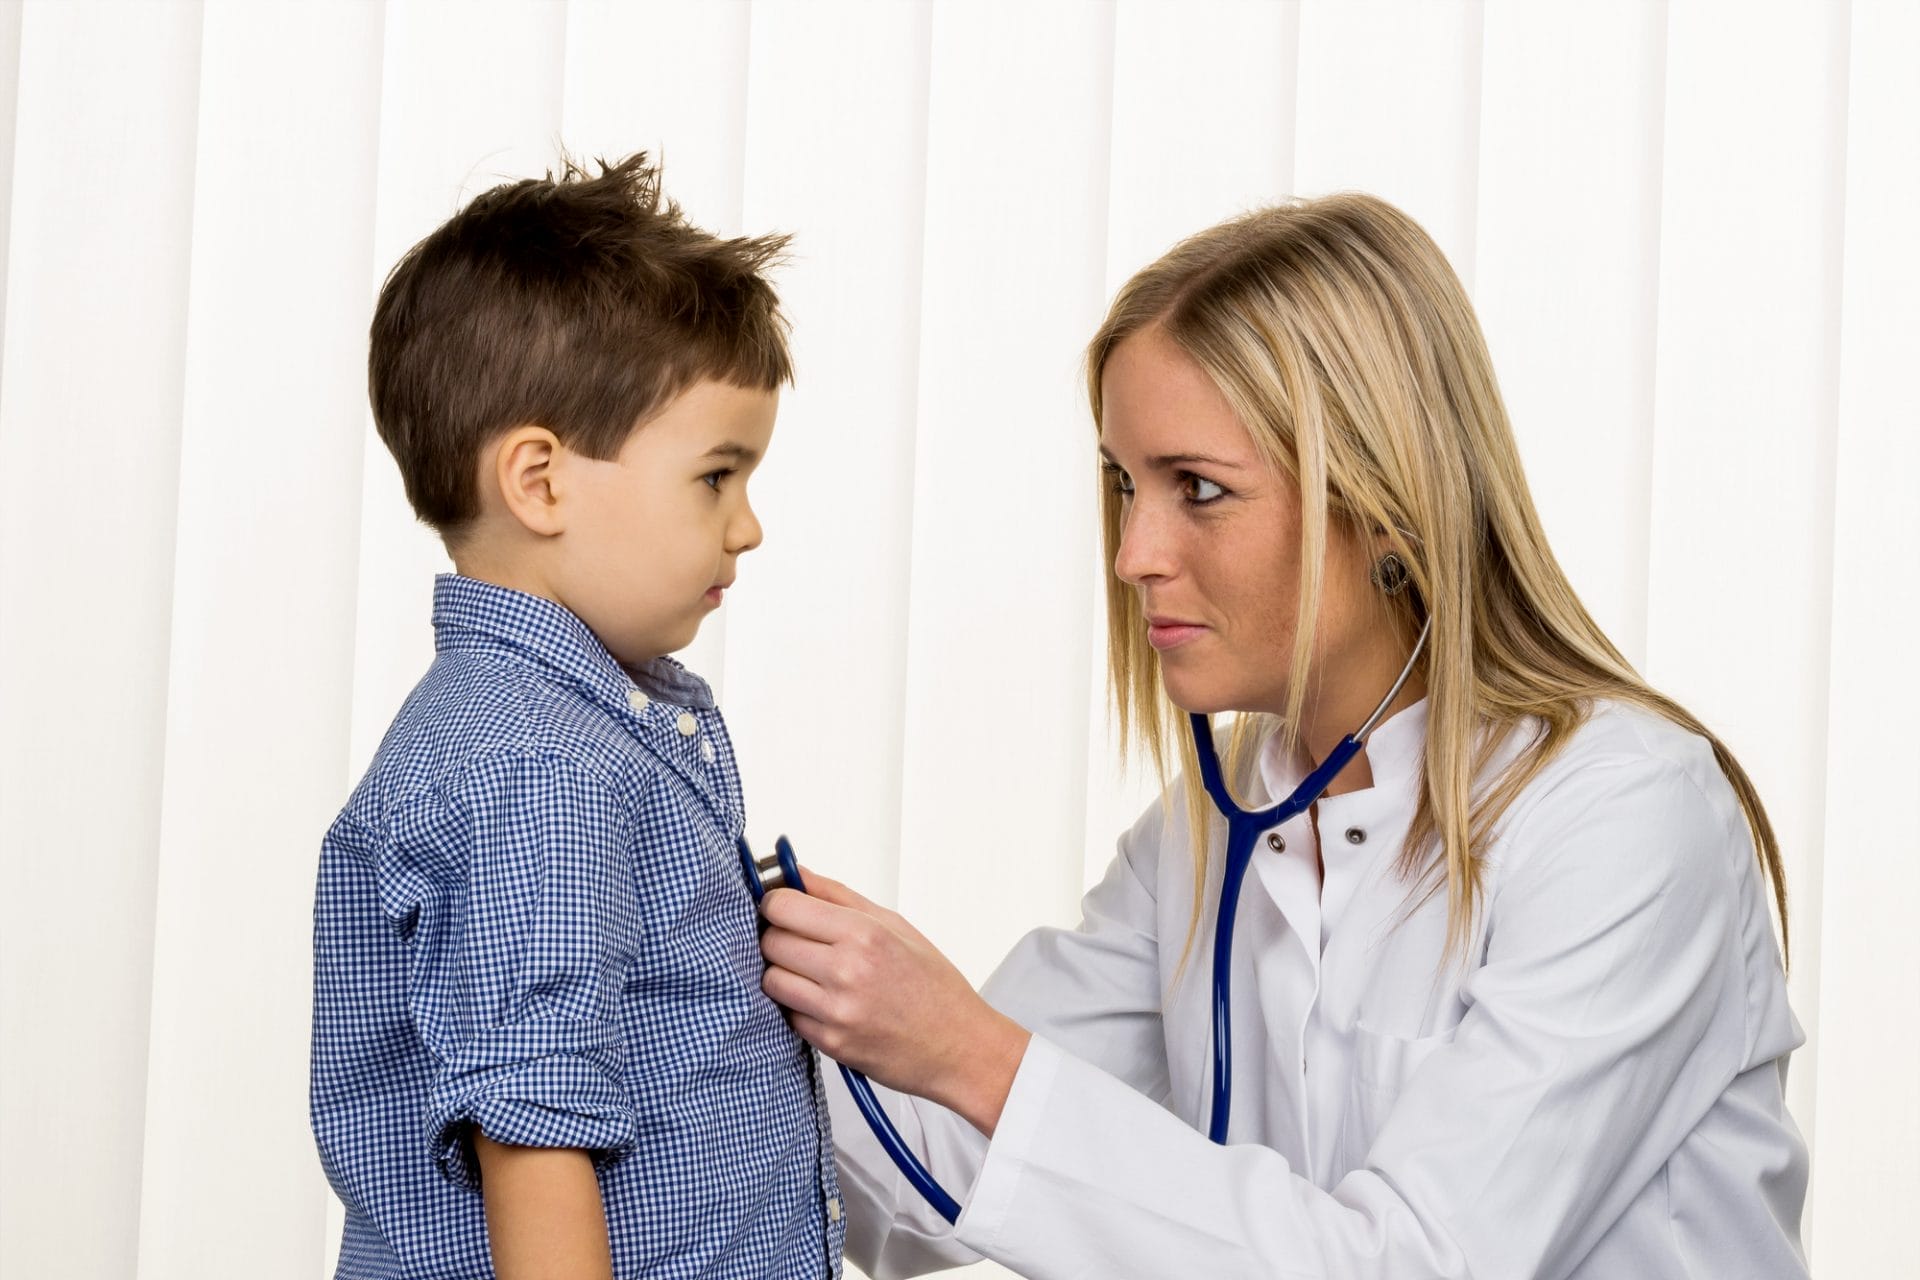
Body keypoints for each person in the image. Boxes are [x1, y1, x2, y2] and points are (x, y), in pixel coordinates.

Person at [757, 193, 1809, 1279]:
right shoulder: (1206, 832)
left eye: (1198, 489)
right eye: (1126, 482)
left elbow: (1408, 1264)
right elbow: (922, 1177)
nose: (1133, 553)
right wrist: (684, 956)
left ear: (1385, 498)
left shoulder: (1623, 815)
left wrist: (970, 1049)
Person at [310, 154, 846, 1280]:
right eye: (716, 475)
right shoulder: (540, 765)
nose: (747, 526)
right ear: (541, 482)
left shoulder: (567, 730)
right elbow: (533, 1125)